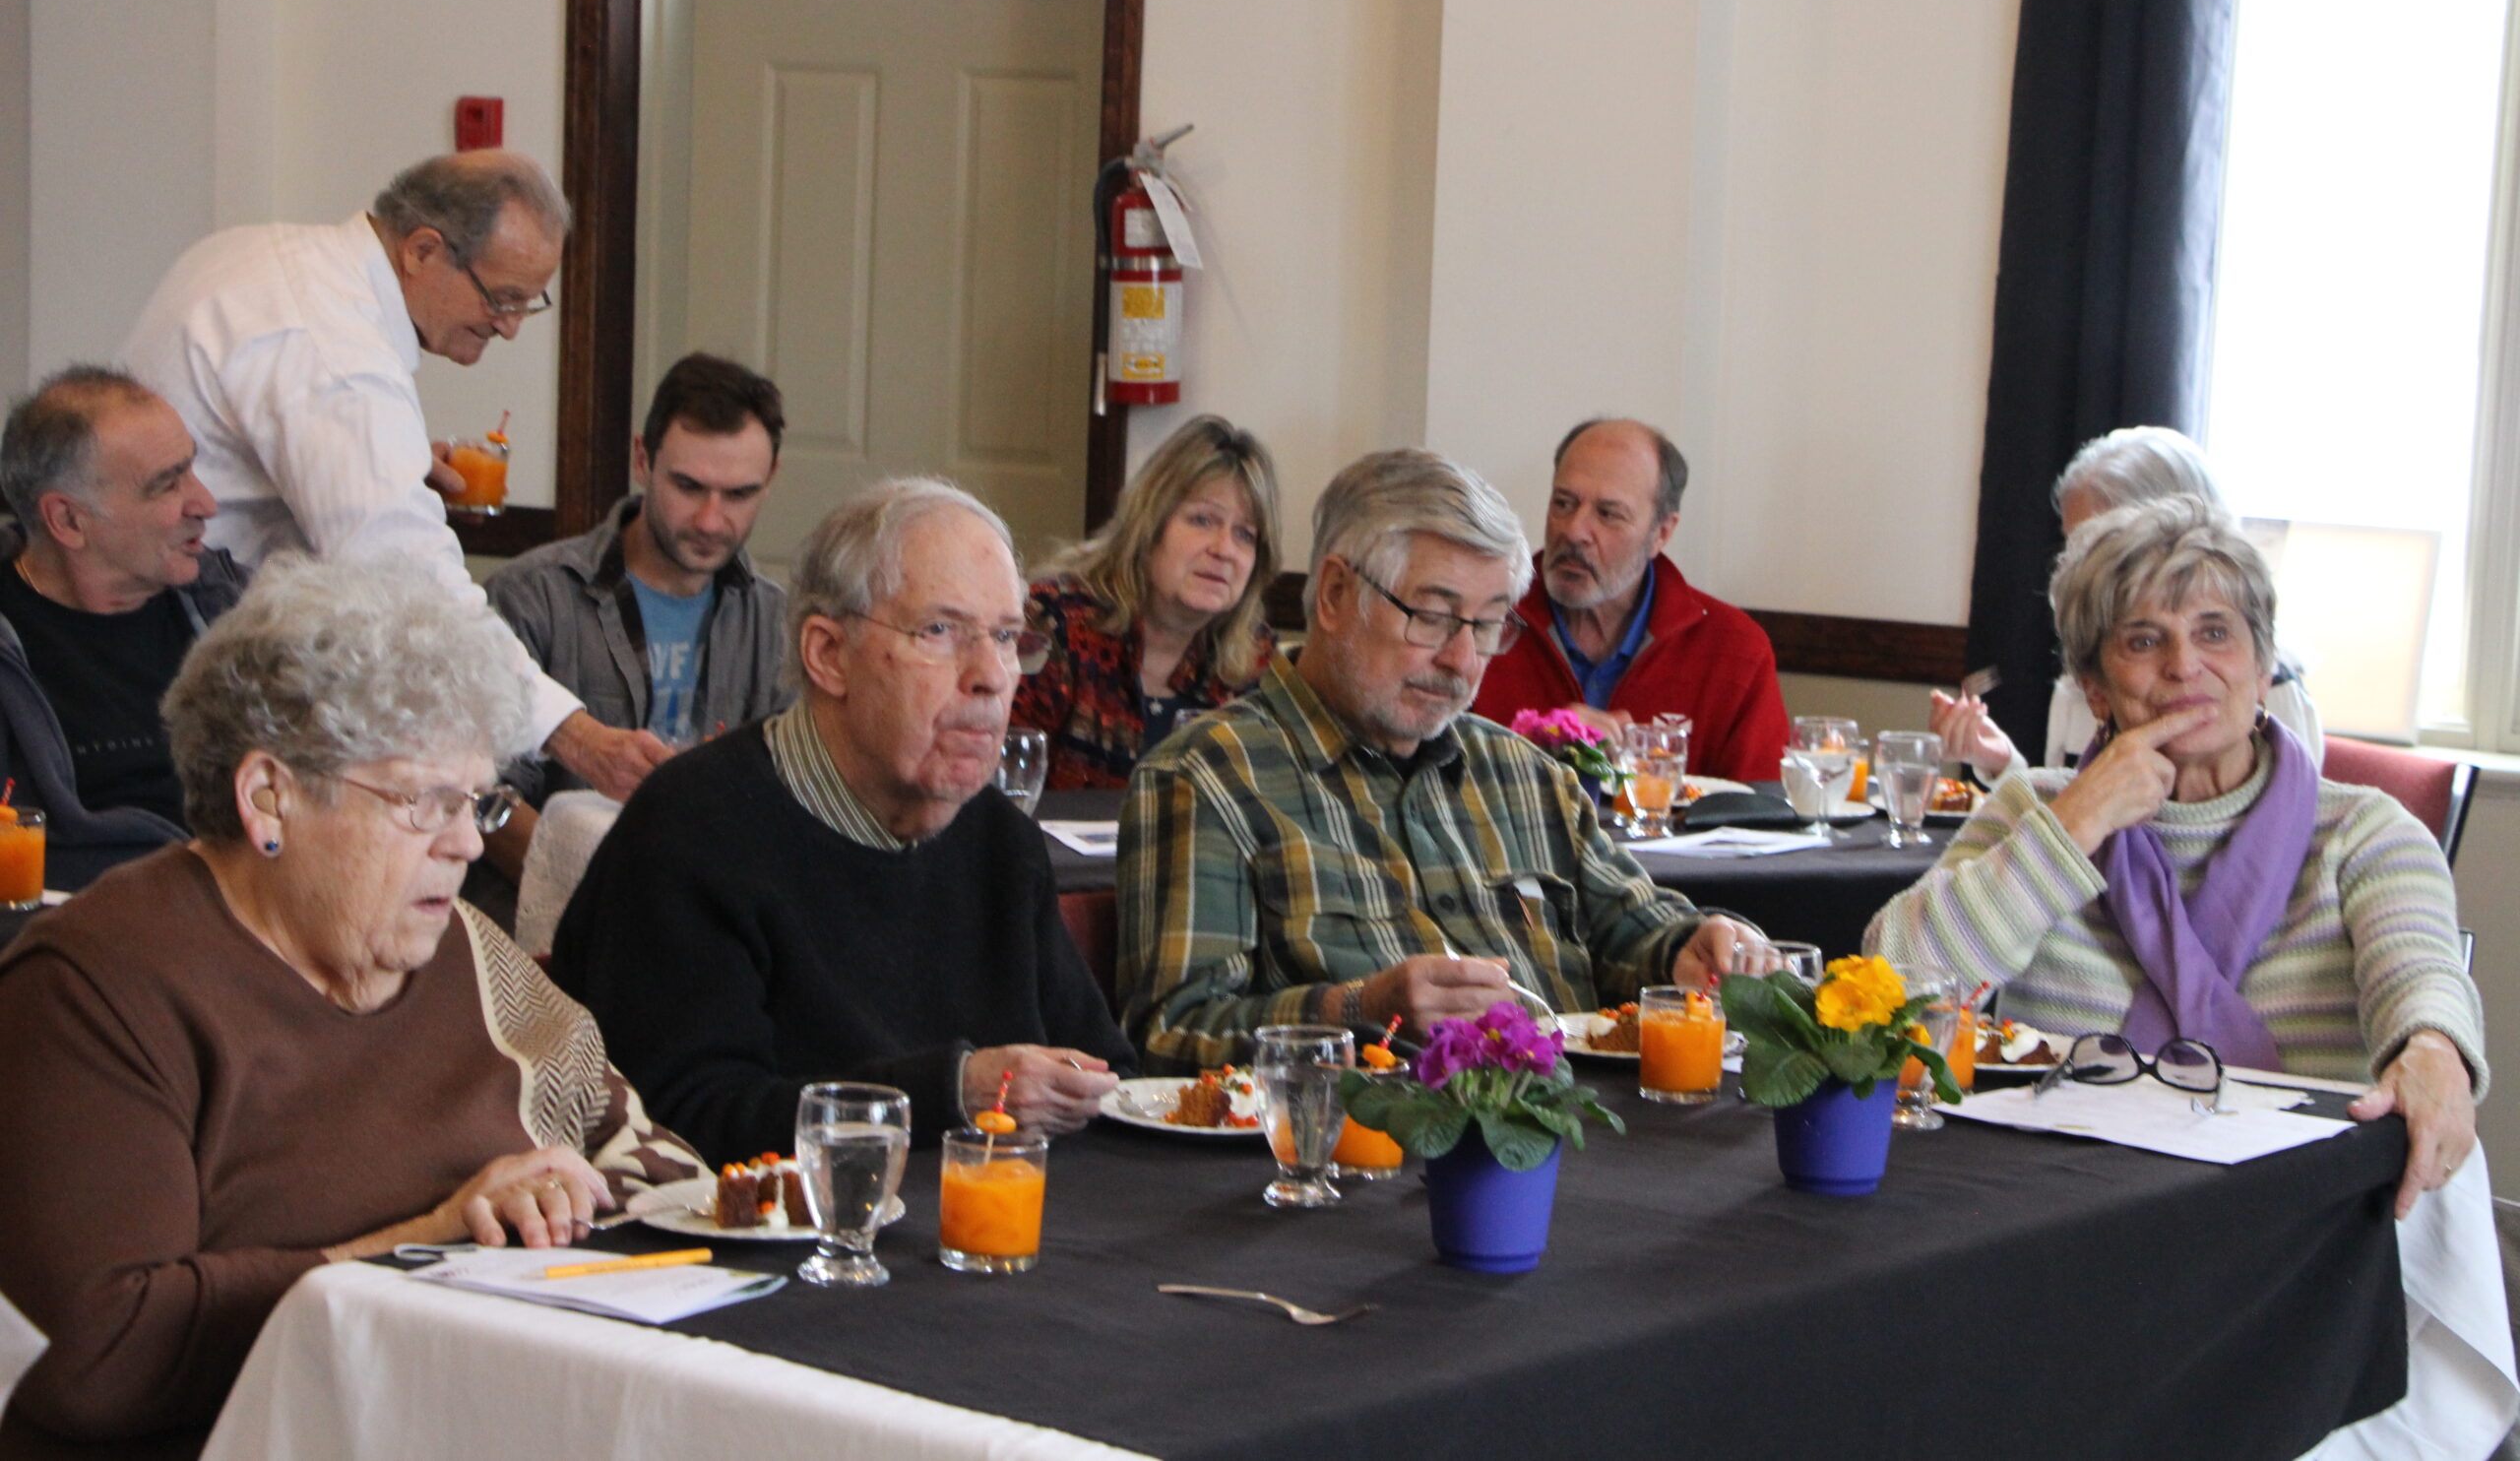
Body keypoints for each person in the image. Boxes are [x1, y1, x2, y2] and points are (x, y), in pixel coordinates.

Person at [0, 557, 701, 1457]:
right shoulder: (97, 986)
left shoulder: (464, 952)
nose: (464, 844)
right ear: (269, 798)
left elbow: (648, 1158)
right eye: (424, 802)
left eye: (476, 803)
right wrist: (424, 1244)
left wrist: (574, 1210)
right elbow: (97, 1357)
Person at [1867, 496, 2482, 1220]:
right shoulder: (2034, 810)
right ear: (2096, 691)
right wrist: (2074, 826)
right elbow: (1893, 985)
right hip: (2056, 1212)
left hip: (2298, 1216)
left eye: (2215, 632)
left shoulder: (2364, 830)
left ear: (2263, 669)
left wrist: (2432, 1047)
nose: (2185, 665)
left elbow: (2420, 972)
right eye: (2144, 640)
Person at [551, 478, 1132, 1163]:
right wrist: (951, 1093)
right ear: (827, 654)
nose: (992, 676)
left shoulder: (999, 838)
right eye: (940, 631)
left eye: (1006, 637)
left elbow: (1108, 1078)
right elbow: (680, 1121)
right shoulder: (692, 830)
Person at [1119, 447, 1750, 1068]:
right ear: (1335, 594)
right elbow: (1169, 1036)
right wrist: (1357, 1009)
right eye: (1432, 617)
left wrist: (1692, 947)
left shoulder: (1526, 775)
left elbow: (1638, 928)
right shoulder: (1209, 778)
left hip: (1580, 1118)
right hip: (1374, 1128)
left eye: (1487, 625)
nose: (1461, 661)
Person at [118, 150, 668, 803]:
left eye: (529, 304)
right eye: (502, 298)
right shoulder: (338, 353)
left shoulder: (266, 255)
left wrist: (392, 461)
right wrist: (575, 735)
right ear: (422, 250)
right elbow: (409, 591)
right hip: (156, 662)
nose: (510, 328)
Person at [484, 354, 790, 869]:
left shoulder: (777, 624)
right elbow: (480, 794)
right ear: (642, 460)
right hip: (549, 903)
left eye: (740, 494)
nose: (711, 520)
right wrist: (589, 887)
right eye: (688, 487)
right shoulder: (531, 597)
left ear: (771, 478)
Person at [1932, 425, 2323, 776]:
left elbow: (2293, 819)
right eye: (2073, 546)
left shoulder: (2261, 686)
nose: (2076, 568)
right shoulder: (2096, 670)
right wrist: (2004, 765)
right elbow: (2075, 807)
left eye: (2096, 544)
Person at [0, 367, 247, 886]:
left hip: (249, 901)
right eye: (167, 484)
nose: (205, 504)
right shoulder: (12, 650)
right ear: (68, 521)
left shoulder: (237, 610)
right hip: (79, 916)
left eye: (191, 470)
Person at [1470, 417, 1789, 781]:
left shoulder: (1733, 649)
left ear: (1661, 533)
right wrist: (1536, 747)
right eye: (1564, 503)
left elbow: (1763, 806)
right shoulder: (1480, 619)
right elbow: (1426, 779)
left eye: (1608, 514)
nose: (1574, 530)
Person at [1014, 414, 1280, 790]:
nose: (1224, 550)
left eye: (1245, 535)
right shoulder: (1056, 622)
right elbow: (998, 780)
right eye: (1202, 520)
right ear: (1149, 525)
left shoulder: (1255, 662)